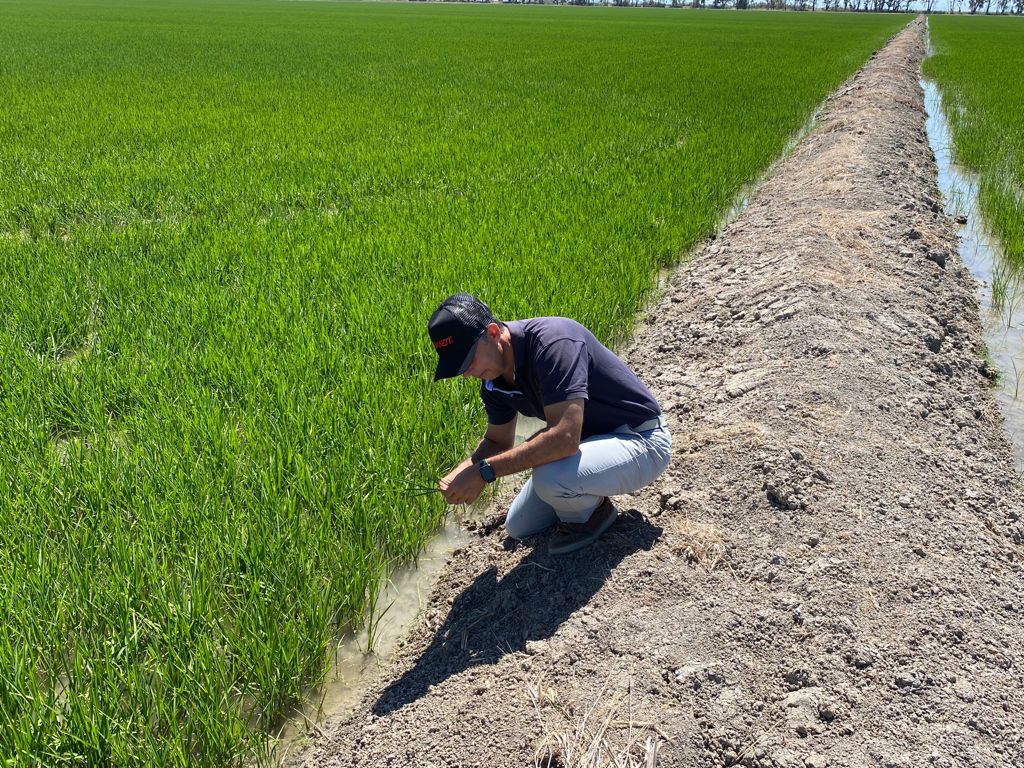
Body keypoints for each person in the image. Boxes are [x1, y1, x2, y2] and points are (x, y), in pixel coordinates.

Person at [428, 293, 671, 555]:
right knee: (519, 526)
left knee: (551, 478)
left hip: (640, 439)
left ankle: (595, 514)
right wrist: (466, 468)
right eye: (459, 368)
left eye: (468, 361)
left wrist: (483, 472)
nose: (466, 374)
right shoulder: (492, 381)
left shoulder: (553, 342)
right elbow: (497, 441)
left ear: (493, 332)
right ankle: (581, 496)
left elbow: (564, 439)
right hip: (588, 442)